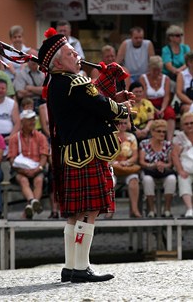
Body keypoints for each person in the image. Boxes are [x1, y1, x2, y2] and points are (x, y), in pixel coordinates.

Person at [42, 28, 132, 283]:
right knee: (89, 210)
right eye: (72, 53)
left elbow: (88, 104)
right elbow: (99, 105)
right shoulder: (74, 83)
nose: (78, 56)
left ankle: (71, 266)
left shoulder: (57, 84)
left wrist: (112, 97)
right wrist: (122, 109)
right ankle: (82, 268)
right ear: (59, 61)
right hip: (89, 152)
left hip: (73, 153)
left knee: (74, 214)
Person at [8, 110, 49, 219]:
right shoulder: (14, 138)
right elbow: (12, 159)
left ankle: (29, 208)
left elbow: (44, 156)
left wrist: (38, 168)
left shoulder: (41, 137)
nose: (32, 122)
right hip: (20, 170)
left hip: (37, 168)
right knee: (23, 180)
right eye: (29, 120)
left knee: (39, 180)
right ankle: (33, 202)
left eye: (33, 119)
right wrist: (24, 171)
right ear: (22, 121)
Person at [139, 119, 176, 218]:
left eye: (164, 132)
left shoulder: (168, 145)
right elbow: (141, 162)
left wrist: (163, 165)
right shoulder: (144, 143)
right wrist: (153, 165)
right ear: (152, 132)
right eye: (159, 131)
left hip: (163, 171)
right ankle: (152, 210)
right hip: (149, 170)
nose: (162, 134)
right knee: (147, 180)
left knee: (172, 179)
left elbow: (170, 163)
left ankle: (167, 209)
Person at [111, 118, 141, 218]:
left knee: (134, 180)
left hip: (126, 167)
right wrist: (114, 163)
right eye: (120, 123)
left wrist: (127, 162)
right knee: (109, 181)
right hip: (112, 168)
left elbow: (135, 156)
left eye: (125, 123)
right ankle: (109, 209)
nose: (122, 125)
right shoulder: (109, 137)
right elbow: (105, 156)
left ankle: (134, 209)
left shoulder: (131, 137)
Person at [141, 56, 176, 140]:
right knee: (149, 114)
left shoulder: (165, 78)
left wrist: (162, 109)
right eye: (154, 70)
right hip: (148, 104)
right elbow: (144, 97)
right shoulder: (143, 78)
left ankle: (169, 140)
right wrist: (155, 110)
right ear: (150, 68)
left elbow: (167, 96)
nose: (157, 72)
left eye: (159, 69)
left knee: (170, 113)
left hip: (162, 104)